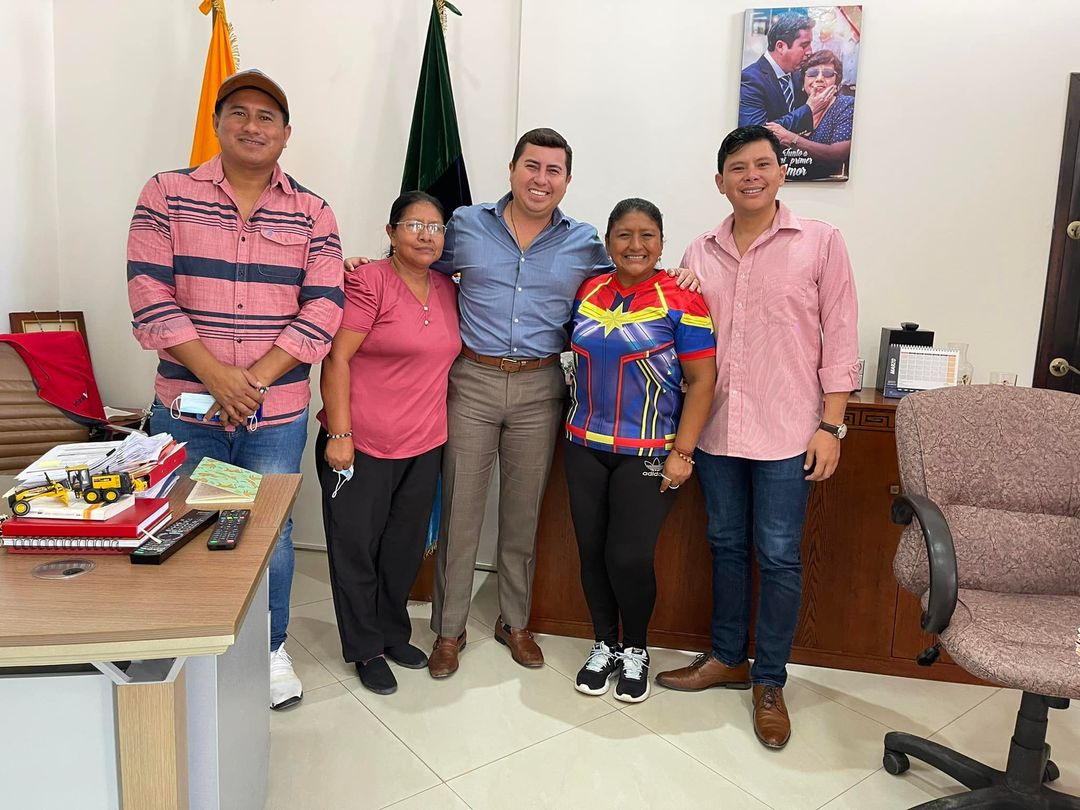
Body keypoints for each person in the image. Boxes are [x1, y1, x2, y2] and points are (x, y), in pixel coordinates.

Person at [344, 129, 697, 680]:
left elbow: (630, 272)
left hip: (540, 387)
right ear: (511, 170)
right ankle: (449, 630)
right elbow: (419, 261)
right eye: (532, 166)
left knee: (522, 513)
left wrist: (679, 273)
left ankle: (514, 621)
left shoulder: (584, 241)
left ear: (567, 180)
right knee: (461, 511)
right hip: (473, 380)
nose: (541, 179)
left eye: (553, 170)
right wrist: (370, 263)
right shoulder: (465, 225)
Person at [127, 69, 344, 710]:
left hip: (274, 413)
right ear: (219, 124)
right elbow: (148, 293)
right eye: (239, 113)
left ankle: (268, 650)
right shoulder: (167, 194)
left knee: (267, 530)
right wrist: (217, 377)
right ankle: (190, 641)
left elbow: (324, 306)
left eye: (266, 117)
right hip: (187, 407)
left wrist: (252, 382)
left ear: (286, 134)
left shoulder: (313, 212)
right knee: (185, 520)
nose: (252, 126)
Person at [655, 126, 859, 749]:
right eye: (738, 167)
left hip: (789, 432)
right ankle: (726, 658)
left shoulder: (820, 242)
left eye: (762, 164)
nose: (751, 175)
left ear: (780, 172)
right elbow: (684, 332)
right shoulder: (699, 251)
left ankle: (769, 680)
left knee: (778, 556)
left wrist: (831, 425)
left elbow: (841, 335)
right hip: (717, 430)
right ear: (720, 181)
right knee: (725, 546)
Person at [564, 199, 716, 703]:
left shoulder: (683, 297)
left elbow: (702, 381)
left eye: (647, 235)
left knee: (628, 556)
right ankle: (604, 643)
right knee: (591, 552)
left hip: (649, 450)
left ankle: (635, 648)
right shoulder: (588, 289)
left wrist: (684, 453)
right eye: (624, 235)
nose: (635, 245)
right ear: (608, 242)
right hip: (583, 443)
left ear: (662, 242)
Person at [315, 191, 460, 696]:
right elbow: (336, 359)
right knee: (356, 549)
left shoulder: (447, 288)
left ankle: (393, 632)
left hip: (424, 444)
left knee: (403, 548)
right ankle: (365, 647)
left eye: (436, 227)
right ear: (391, 231)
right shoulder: (368, 281)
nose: (426, 235)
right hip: (361, 443)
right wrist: (340, 434)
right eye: (415, 224)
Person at [766, 50, 855, 180]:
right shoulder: (795, 106)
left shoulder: (845, 105)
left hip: (828, 186)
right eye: (812, 74)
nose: (819, 78)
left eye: (828, 74)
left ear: (837, 82)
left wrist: (791, 138)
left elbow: (837, 155)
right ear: (803, 83)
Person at [738, 12, 827, 133]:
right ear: (780, 46)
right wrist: (809, 109)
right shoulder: (750, 79)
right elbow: (757, 133)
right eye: (804, 45)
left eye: (810, 44)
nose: (810, 51)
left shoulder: (798, 75)